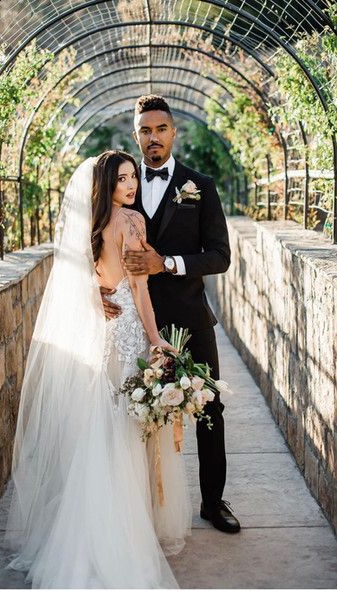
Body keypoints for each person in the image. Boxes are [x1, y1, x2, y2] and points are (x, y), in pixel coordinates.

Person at [4, 151, 192, 588]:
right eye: (123, 178)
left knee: (103, 426)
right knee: (129, 429)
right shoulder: (132, 223)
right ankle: (126, 529)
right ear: (107, 184)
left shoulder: (90, 227)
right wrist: (156, 338)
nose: (131, 185)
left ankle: (91, 524)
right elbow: (141, 293)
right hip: (126, 331)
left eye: (133, 177)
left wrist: (98, 295)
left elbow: (89, 281)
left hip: (102, 331)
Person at [101, 94, 240, 534]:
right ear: (135, 133)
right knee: (133, 414)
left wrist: (170, 263)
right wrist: (96, 292)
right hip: (133, 322)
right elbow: (89, 247)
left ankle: (214, 503)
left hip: (189, 318)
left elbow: (220, 256)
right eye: (145, 130)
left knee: (209, 410)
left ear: (173, 131)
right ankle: (142, 509)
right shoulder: (117, 188)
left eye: (161, 129)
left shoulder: (201, 186)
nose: (153, 137)